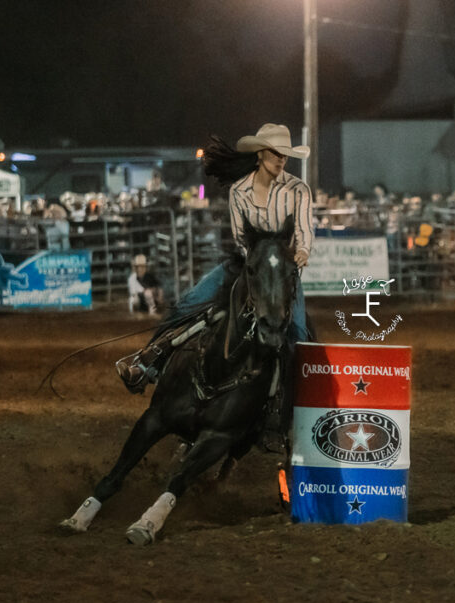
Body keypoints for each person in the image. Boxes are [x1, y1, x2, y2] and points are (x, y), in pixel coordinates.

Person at [116, 123, 313, 446]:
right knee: (187, 304)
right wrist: (258, 262)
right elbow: (241, 240)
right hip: (244, 267)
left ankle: (286, 415)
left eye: (286, 156)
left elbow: (304, 232)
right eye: (277, 154)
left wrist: (302, 250)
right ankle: (146, 364)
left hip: (280, 275)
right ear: (262, 154)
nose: (282, 161)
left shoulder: (297, 190)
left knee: (299, 336)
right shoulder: (239, 192)